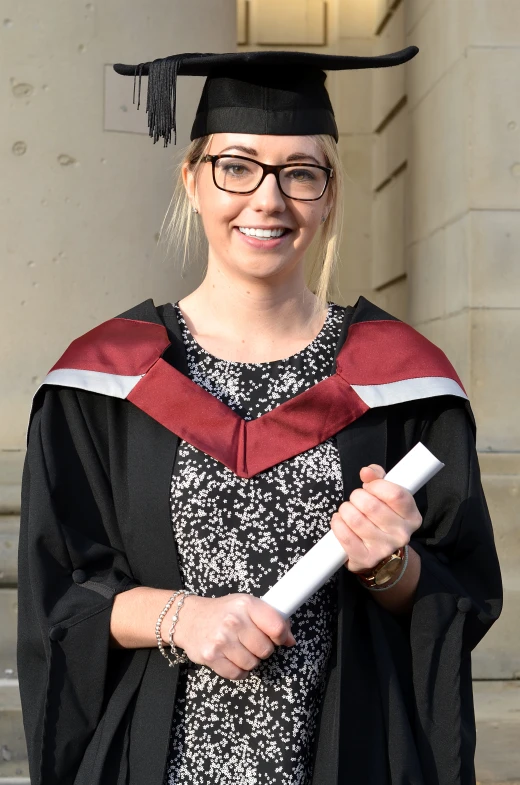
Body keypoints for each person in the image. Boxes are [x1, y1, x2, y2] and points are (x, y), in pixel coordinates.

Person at [17, 47, 502, 785]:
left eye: (300, 173)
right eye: (236, 166)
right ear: (192, 177)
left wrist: (391, 563)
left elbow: (458, 599)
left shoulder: (405, 384)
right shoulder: (105, 379)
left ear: (331, 193)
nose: (267, 200)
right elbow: (62, 600)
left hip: (347, 752)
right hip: (161, 760)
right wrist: (184, 617)